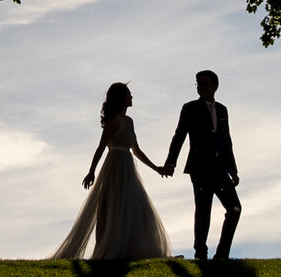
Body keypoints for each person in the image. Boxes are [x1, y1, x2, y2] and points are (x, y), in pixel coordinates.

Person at [48, 81, 173, 260]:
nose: (132, 97)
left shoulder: (129, 121)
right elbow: (100, 147)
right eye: (129, 94)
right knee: (114, 206)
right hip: (115, 166)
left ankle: (132, 250)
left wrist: (156, 168)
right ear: (121, 98)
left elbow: (136, 150)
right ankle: (111, 250)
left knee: (134, 206)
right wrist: (91, 171)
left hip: (129, 168)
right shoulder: (113, 121)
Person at [160, 68, 241, 260]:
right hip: (200, 168)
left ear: (215, 86)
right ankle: (200, 254)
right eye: (198, 84)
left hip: (220, 168)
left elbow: (226, 141)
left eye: (205, 84)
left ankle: (222, 254)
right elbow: (179, 136)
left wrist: (233, 170)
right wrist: (171, 162)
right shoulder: (190, 108)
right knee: (203, 210)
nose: (201, 88)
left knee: (235, 208)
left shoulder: (222, 110)